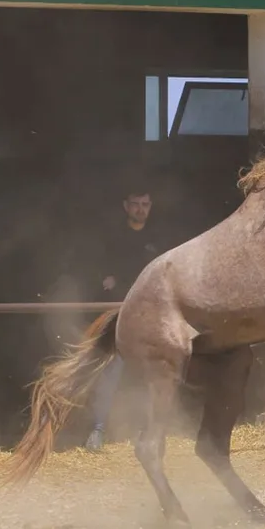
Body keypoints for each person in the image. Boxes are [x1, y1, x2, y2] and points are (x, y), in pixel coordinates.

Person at [84, 186, 168, 451]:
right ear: (125, 206)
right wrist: (105, 279)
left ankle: (149, 431)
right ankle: (97, 430)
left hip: (148, 315)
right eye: (135, 204)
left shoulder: (159, 239)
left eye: (145, 204)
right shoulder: (111, 237)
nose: (140, 209)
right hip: (116, 314)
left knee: (152, 371)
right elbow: (96, 270)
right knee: (110, 369)